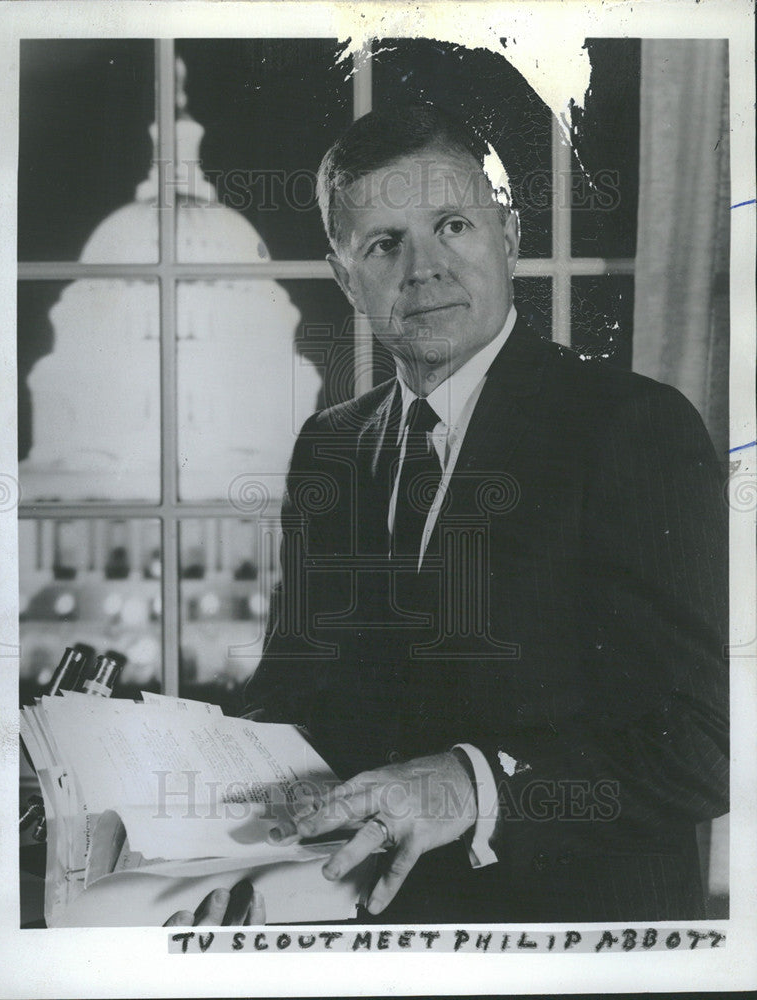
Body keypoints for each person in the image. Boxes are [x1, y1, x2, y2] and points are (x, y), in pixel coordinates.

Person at [172, 101, 729, 925]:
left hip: (579, 946)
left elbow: (707, 746)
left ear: (507, 237)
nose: (422, 268)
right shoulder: (332, 444)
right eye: (383, 244)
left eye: (453, 225)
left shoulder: (630, 426)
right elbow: (297, 690)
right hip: (362, 931)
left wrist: (476, 783)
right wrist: (189, 787)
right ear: (345, 277)